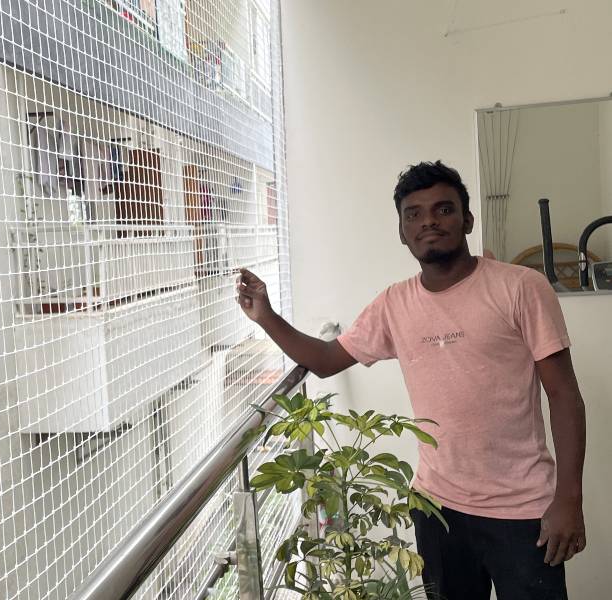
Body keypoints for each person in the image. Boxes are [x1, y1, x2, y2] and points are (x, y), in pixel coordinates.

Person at [236, 161, 586, 600]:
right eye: (414, 214)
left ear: (467, 219)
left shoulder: (520, 288)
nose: (429, 222)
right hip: (437, 508)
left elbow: (565, 395)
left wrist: (569, 499)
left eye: (443, 209)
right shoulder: (393, 304)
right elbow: (326, 360)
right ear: (402, 231)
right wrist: (266, 316)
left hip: (523, 510)